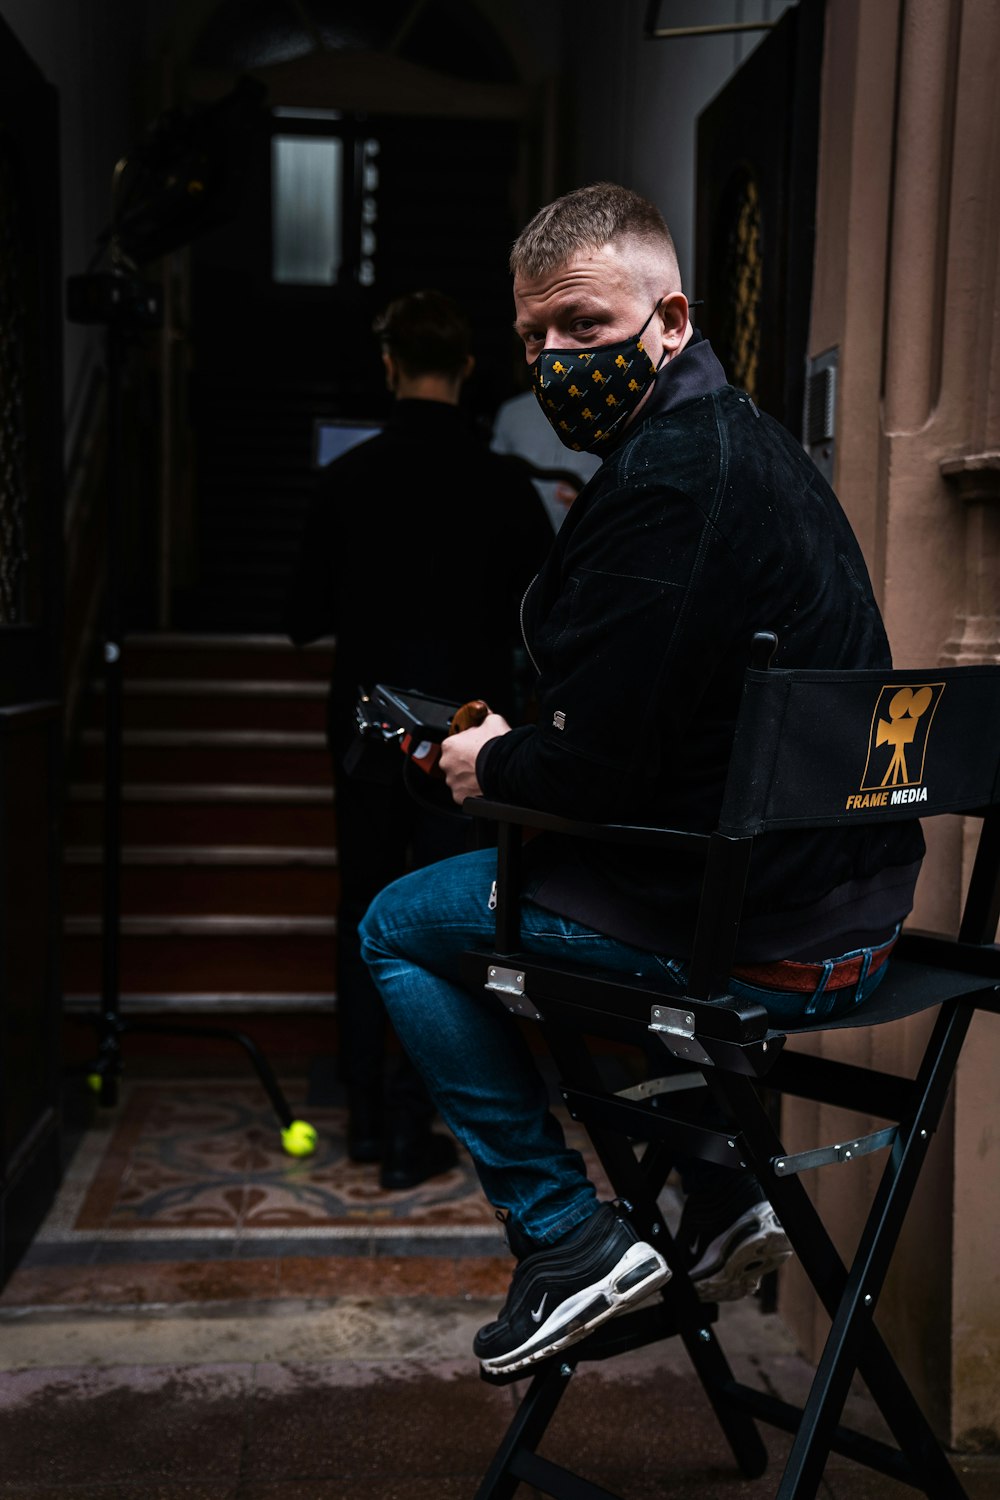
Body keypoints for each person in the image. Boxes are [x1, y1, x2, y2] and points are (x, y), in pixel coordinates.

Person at [357, 184, 925, 1372]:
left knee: (404, 925)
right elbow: (652, 728)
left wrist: (485, 757)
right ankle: (721, 1196)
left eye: (581, 326)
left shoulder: (673, 477)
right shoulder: (748, 443)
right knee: (562, 896)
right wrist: (532, 744)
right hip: (856, 909)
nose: (553, 359)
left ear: (668, 319)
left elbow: (592, 770)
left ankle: (564, 1236)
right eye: (531, 339)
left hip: (756, 930)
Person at [284, 288, 552, 1191]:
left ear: (390, 364)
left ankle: (362, 1115)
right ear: (469, 368)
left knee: (363, 907)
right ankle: (413, 1124)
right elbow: (541, 620)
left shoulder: (346, 480)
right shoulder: (505, 485)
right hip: (466, 740)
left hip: (366, 738)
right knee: (444, 918)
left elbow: (297, 618)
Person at [490, 384, 601, 530]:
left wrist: (593, 501)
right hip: (526, 533)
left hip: (593, 531)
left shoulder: (606, 408)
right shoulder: (512, 411)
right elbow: (496, 479)